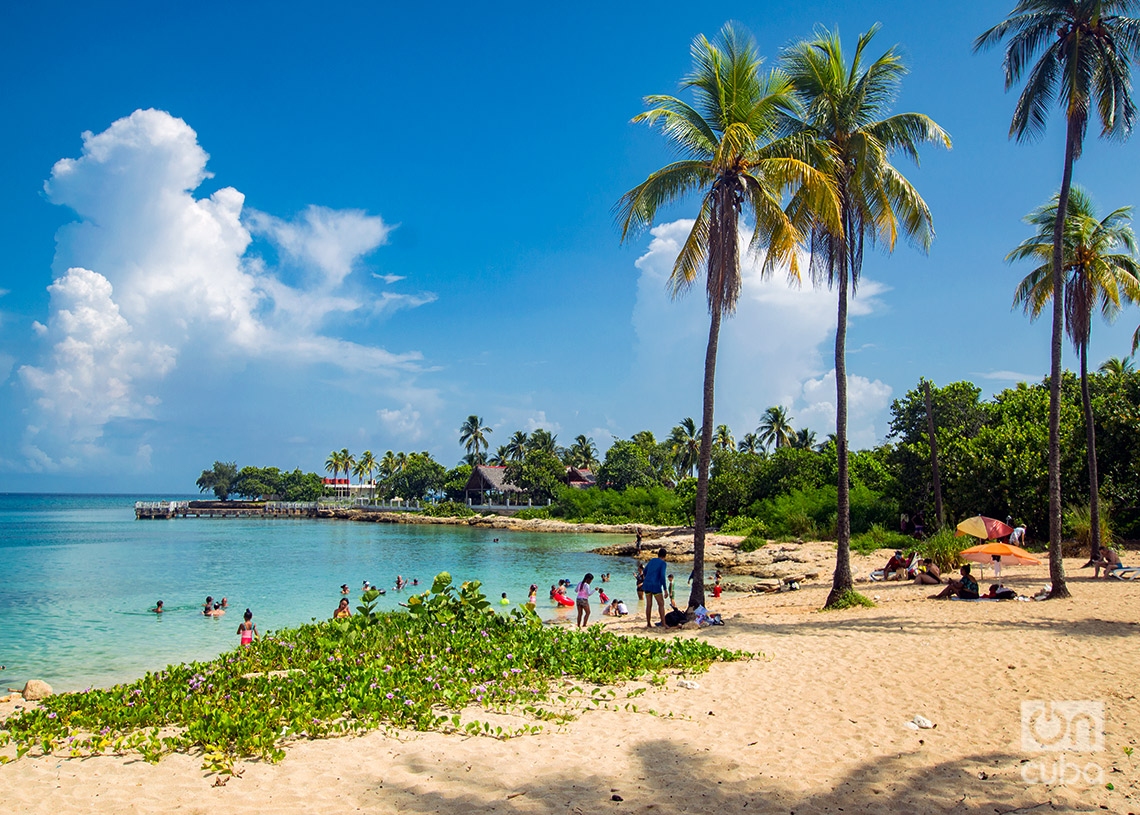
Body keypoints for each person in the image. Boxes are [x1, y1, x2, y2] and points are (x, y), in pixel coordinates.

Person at [643, 548, 668, 629]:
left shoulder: (652, 560)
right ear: (665, 556)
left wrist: (648, 577)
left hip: (646, 584)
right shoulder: (663, 563)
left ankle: (648, 623)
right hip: (655, 585)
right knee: (661, 604)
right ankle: (663, 623)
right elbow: (662, 576)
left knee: (649, 604)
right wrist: (665, 589)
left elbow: (644, 571)